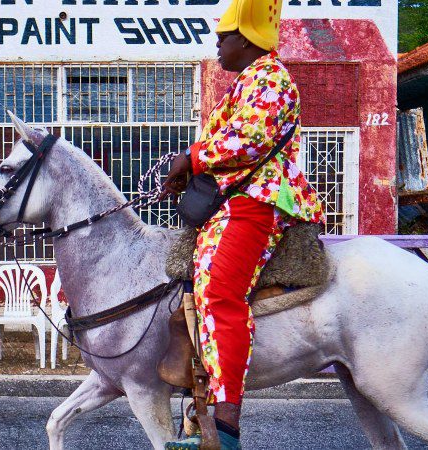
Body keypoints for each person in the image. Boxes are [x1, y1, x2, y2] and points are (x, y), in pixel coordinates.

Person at [161, 0, 324, 448]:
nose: (216, 46)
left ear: (247, 39)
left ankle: (226, 424)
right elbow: (221, 145)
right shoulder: (245, 83)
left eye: (222, 38)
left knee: (218, 291)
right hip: (231, 200)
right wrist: (187, 173)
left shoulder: (272, 79)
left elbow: (247, 140)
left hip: (258, 201)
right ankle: (197, 407)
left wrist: (191, 158)